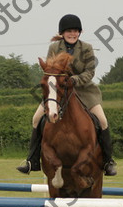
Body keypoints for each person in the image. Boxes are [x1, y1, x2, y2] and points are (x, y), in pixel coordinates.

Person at [16, 14, 117, 176]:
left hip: (84, 90)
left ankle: (108, 162)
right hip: (58, 90)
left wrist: (74, 80)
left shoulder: (87, 48)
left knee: (103, 121)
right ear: (62, 33)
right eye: (69, 31)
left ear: (80, 32)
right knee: (36, 118)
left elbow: (90, 72)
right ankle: (32, 160)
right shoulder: (54, 48)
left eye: (75, 31)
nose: (72, 34)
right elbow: (49, 70)